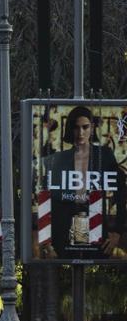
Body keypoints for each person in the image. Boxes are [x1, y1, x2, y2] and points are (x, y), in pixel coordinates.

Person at [38, 105, 126, 260]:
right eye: (76, 127)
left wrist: (118, 232)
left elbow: (121, 195)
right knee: (69, 261)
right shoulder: (59, 159)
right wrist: (46, 240)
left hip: (96, 222)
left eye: (85, 127)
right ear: (70, 129)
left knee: (94, 264)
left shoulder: (104, 155)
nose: (81, 133)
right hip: (64, 224)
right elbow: (47, 199)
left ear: (92, 128)